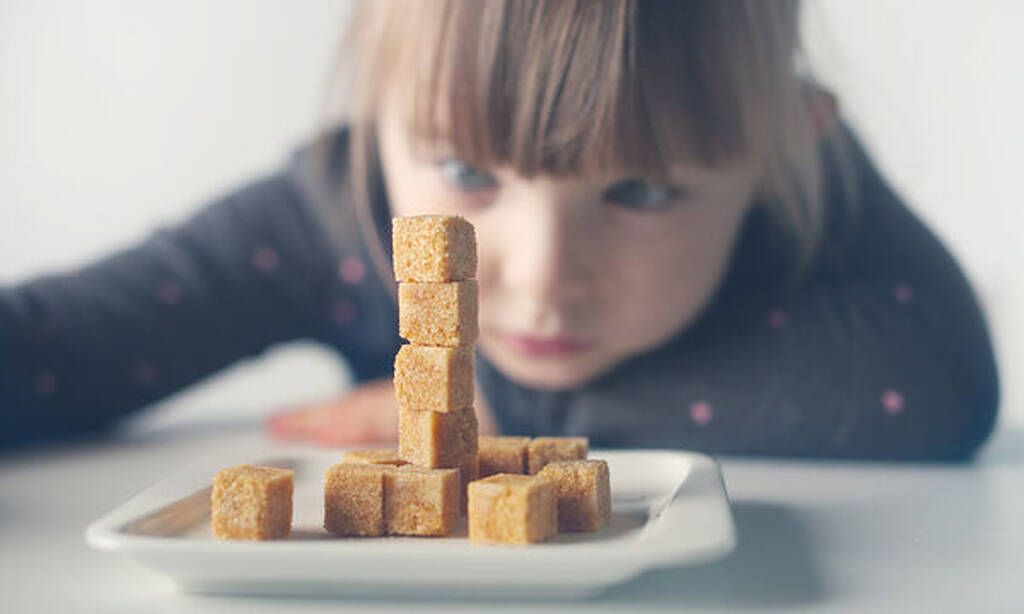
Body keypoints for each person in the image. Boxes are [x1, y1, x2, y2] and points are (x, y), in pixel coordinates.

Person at [0, 0, 998, 459]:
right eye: (471, 174)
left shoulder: (806, 187)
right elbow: (57, 344)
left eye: (642, 192)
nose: (540, 278)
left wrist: (489, 406)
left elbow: (938, 391)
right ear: (379, 108)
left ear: (783, 147)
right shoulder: (329, 206)